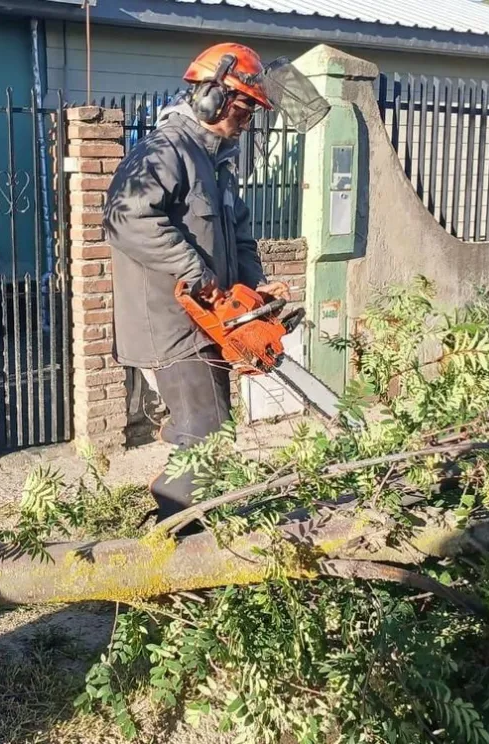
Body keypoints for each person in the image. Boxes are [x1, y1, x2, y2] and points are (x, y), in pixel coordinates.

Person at [103, 43, 290, 526]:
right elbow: (126, 219)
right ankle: (167, 535)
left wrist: (256, 291)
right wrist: (200, 276)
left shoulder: (216, 163)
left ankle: (205, 525)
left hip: (207, 323)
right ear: (212, 97)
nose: (249, 119)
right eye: (245, 106)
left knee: (215, 429)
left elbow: (240, 234)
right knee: (203, 431)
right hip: (170, 323)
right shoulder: (165, 151)